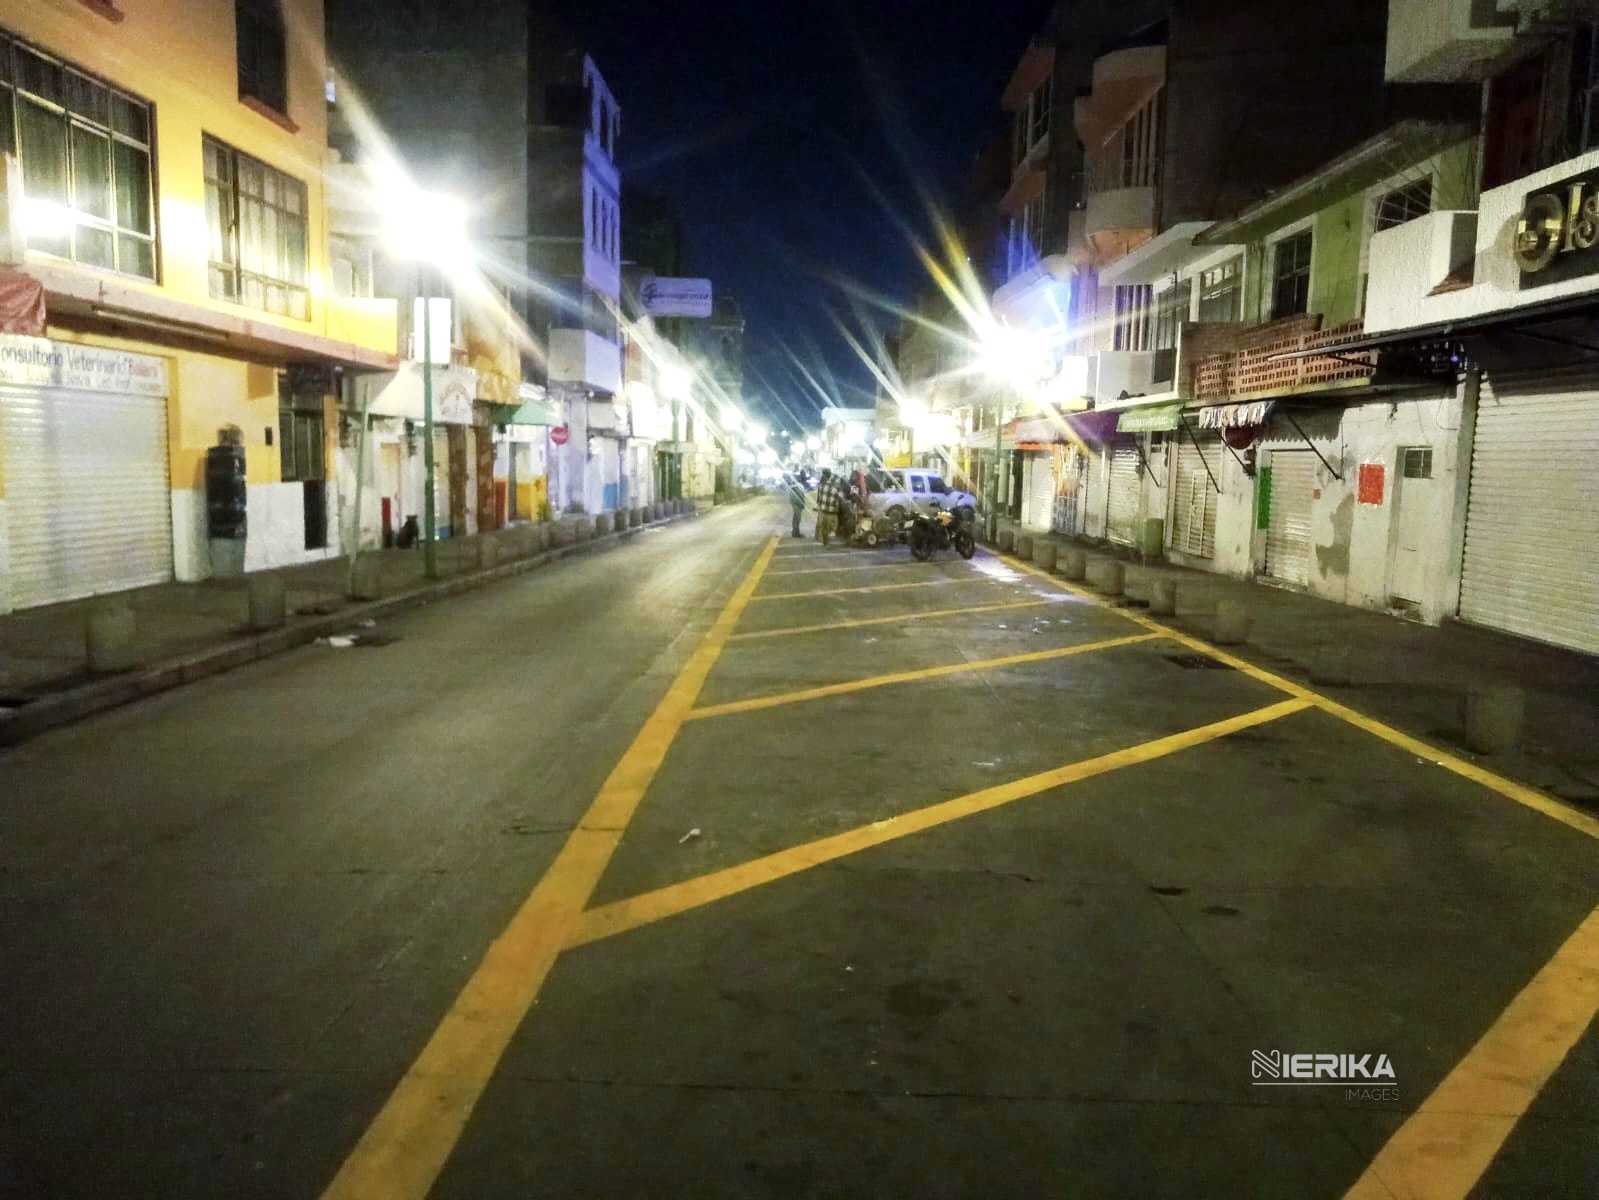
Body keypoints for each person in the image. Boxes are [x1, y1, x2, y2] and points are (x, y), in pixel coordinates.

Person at [814, 468, 845, 546]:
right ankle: (825, 541)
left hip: (831, 509)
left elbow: (840, 494)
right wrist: (818, 504)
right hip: (824, 508)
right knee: (823, 526)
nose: (823, 476)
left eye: (824, 475)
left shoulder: (836, 481)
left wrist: (840, 499)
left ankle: (826, 540)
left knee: (829, 527)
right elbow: (820, 493)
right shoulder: (823, 481)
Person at [784, 471, 807, 537]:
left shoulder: (796, 485)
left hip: (795, 503)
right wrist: (802, 503)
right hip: (797, 503)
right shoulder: (797, 485)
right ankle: (796, 533)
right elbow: (800, 495)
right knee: (797, 518)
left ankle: (795, 532)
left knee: (796, 518)